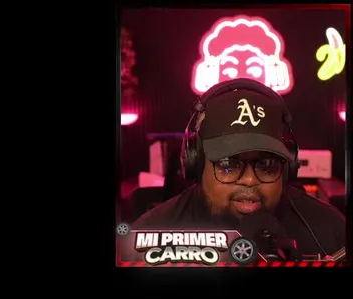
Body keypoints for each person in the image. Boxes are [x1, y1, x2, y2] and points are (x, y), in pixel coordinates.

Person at [124, 79, 346, 262]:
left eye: (267, 166)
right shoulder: (147, 237)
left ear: (289, 169)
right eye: (228, 165)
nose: (249, 180)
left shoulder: (332, 232)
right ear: (196, 164)